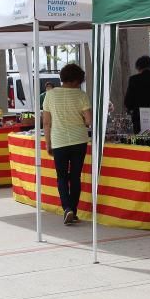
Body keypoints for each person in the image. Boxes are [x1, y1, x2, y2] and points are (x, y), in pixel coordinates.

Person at [43, 64, 92, 225]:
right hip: (79, 140)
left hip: (59, 141)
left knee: (62, 177)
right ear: (76, 80)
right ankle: (73, 210)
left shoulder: (50, 95)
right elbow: (89, 120)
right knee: (75, 176)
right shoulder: (81, 95)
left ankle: (67, 208)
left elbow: (47, 122)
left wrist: (47, 143)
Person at [125, 55, 150, 133]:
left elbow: (128, 102)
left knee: (141, 143)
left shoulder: (134, 80)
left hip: (140, 120)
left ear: (138, 68)